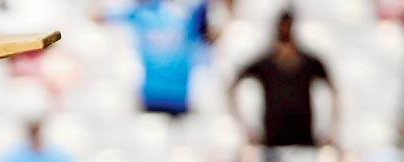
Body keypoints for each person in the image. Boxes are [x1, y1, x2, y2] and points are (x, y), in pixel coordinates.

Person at [228, 9, 338, 149]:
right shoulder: (264, 63)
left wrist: (331, 130)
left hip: (304, 143)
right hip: (272, 143)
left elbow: (334, 90)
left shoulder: (309, 62)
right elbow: (232, 87)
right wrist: (245, 129)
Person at [101, 0, 231, 116]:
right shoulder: (140, 13)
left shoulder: (190, 13)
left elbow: (215, 26)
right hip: (149, 97)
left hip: (181, 99)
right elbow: (100, 15)